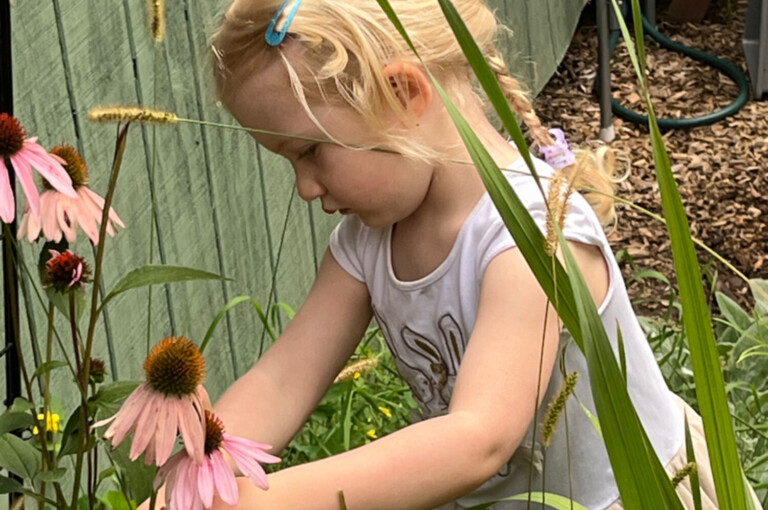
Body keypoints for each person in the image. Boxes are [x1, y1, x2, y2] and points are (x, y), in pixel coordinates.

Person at [153, 0, 756, 508]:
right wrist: (201, 476)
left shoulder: (534, 237)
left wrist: (267, 502)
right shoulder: (366, 242)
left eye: (310, 153)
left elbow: (479, 440)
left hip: (634, 495)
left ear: (403, 92)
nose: (305, 188)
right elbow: (283, 379)